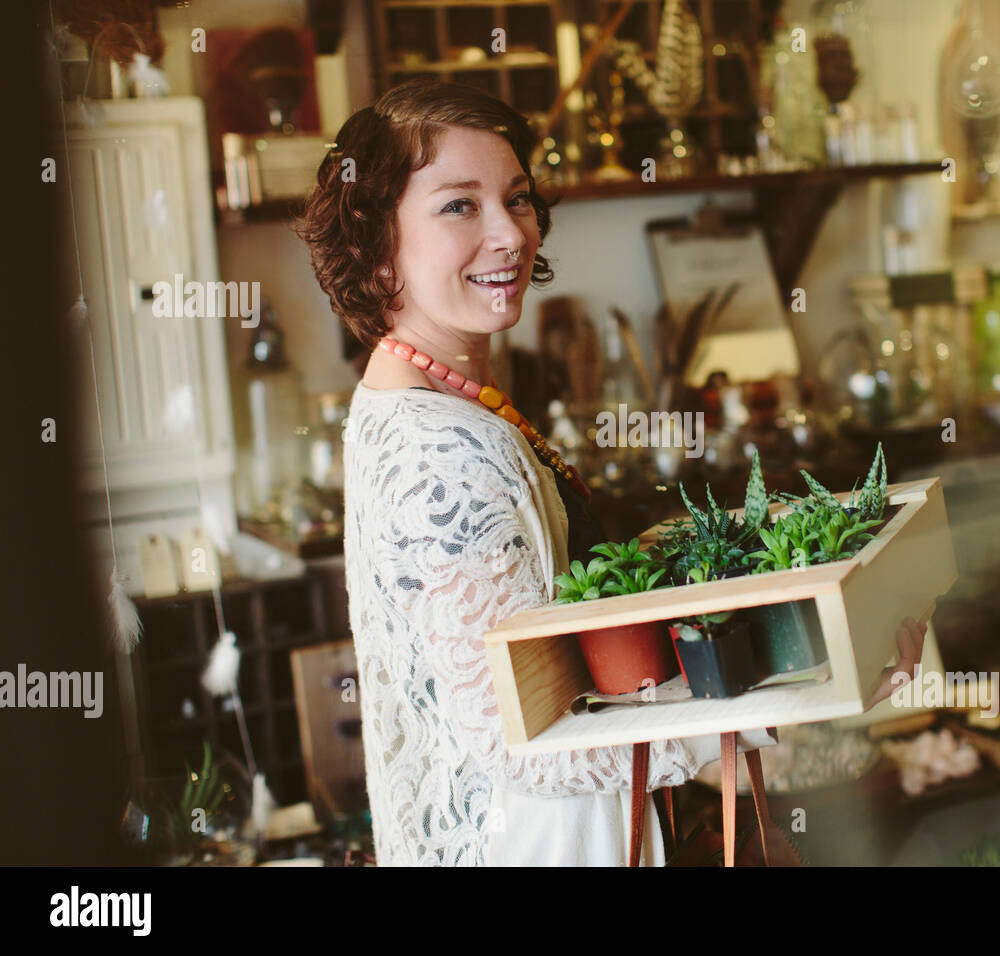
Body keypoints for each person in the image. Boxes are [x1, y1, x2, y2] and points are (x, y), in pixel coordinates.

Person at [297, 78, 925, 866]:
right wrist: (813, 682)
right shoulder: (442, 454)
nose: (509, 234)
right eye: (460, 205)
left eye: (517, 199)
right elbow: (531, 745)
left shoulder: (416, 399)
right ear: (375, 240)